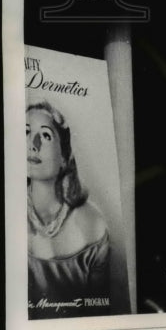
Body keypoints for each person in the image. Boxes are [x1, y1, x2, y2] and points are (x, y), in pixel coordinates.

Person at [27, 101, 111, 317]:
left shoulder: (92, 224)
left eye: (46, 136)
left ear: (64, 157)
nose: (32, 144)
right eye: (26, 132)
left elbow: (98, 312)